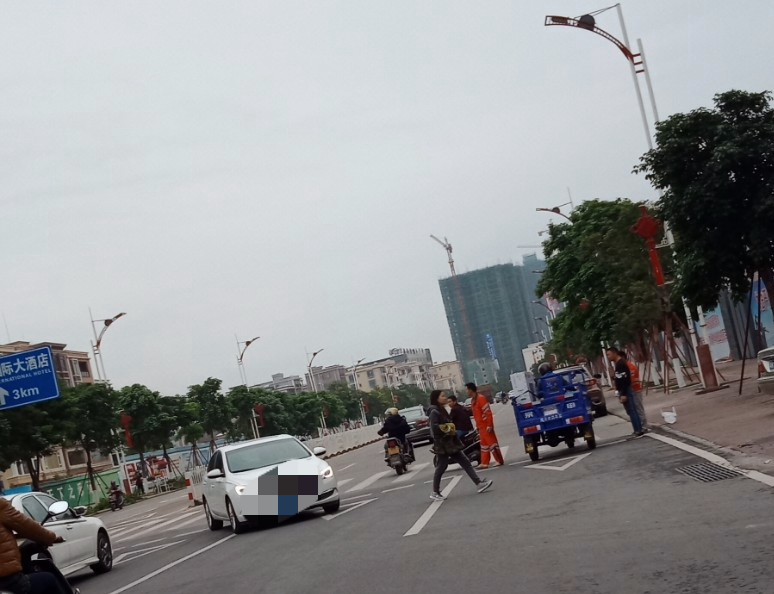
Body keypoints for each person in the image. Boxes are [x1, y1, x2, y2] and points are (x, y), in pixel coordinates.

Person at [428, 390, 492, 501]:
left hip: (450, 443)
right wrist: (448, 427)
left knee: (465, 462)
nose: (445, 398)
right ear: (436, 398)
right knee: (442, 467)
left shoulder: (441, 410)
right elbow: (434, 428)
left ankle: (479, 483)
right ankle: (435, 492)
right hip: (443, 444)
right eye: (442, 396)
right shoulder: (434, 411)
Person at [0, 497, 69, 594]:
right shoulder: (1, 506)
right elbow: (27, 526)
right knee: (49, 579)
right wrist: (52, 538)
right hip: (8, 580)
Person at [606, 348, 644, 437]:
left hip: (626, 391)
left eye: (609, 354)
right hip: (624, 390)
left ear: (615, 353)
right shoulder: (618, 364)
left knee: (632, 410)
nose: (608, 357)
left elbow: (624, 380)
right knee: (630, 411)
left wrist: (623, 394)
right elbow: (619, 378)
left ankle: (638, 430)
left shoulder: (621, 364)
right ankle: (637, 429)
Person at [467, 383, 505, 469]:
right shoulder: (473, 400)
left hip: (486, 425)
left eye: (467, 389)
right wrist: (477, 426)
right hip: (481, 427)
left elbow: (487, 412)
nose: (466, 391)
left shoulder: (481, 399)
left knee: (492, 444)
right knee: (484, 446)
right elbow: (476, 415)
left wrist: (489, 425)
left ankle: (499, 460)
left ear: (470, 390)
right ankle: (484, 462)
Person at [618, 350, 648, 429]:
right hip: (629, 392)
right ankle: (639, 426)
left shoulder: (629, 366)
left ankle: (644, 426)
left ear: (622, 357)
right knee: (631, 411)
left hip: (635, 390)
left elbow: (630, 380)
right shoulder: (622, 367)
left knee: (638, 409)